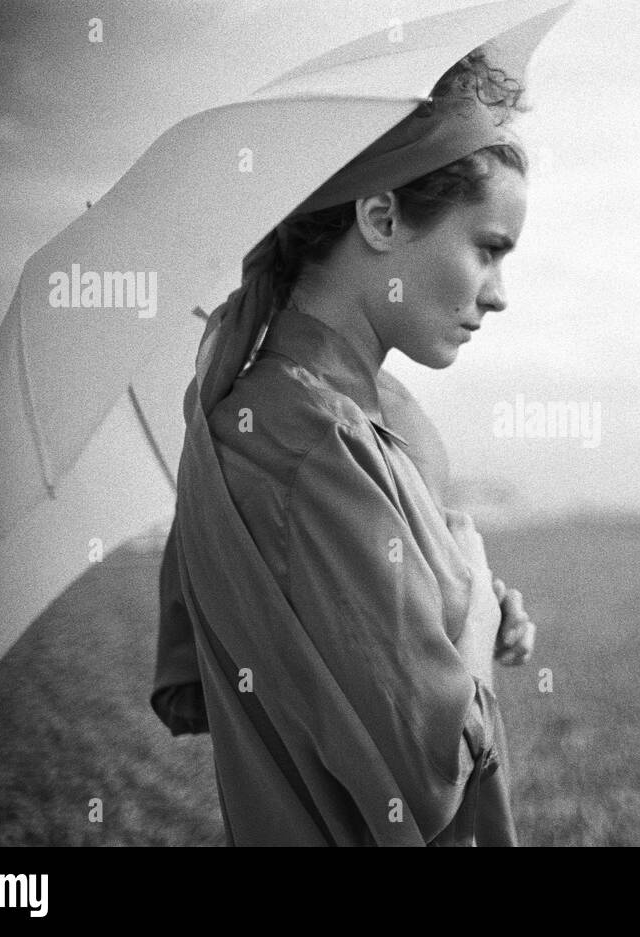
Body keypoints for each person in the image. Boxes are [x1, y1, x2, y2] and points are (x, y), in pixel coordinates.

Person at [152, 49, 538, 845]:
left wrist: (466, 603)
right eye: (488, 247)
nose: (498, 294)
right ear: (381, 217)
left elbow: (344, 664)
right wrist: (471, 598)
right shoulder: (310, 441)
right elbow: (425, 770)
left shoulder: (331, 418)